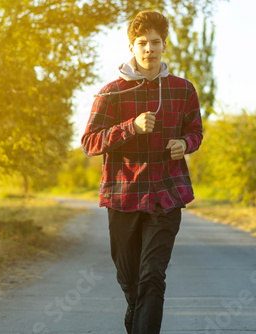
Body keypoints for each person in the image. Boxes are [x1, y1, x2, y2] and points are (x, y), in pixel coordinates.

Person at [81, 11, 203, 334]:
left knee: (152, 276)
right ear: (132, 47)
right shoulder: (111, 92)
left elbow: (196, 131)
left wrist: (185, 143)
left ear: (164, 45)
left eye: (155, 42)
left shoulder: (183, 89)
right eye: (142, 43)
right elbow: (89, 142)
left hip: (167, 194)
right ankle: (135, 309)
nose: (149, 48)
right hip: (123, 197)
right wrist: (129, 128)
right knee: (130, 278)